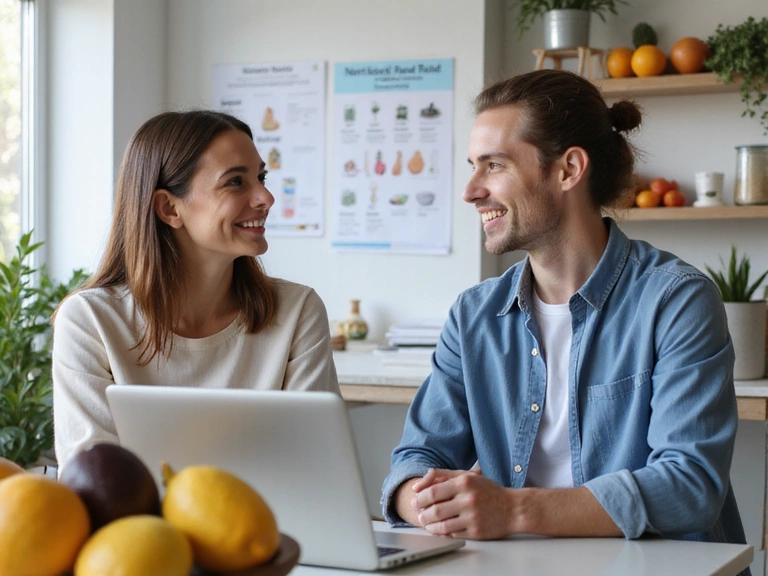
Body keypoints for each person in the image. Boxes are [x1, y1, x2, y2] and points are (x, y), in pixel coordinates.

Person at [382, 70, 748, 559]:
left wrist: (511, 511)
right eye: (473, 165)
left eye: (493, 166)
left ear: (569, 169)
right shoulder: (473, 315)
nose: (470, 190)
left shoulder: (676, 300)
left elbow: (689, 487)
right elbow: (415, 459)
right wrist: (423, 501)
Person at [53, 110, 339, 470]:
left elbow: (313, 466)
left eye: (261, 177)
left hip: (267, 528)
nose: (266, 197)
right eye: (236, 182)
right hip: (139, 528)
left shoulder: (298, 311)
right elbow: (94, 481)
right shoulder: (89, 321)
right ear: (169, 208)